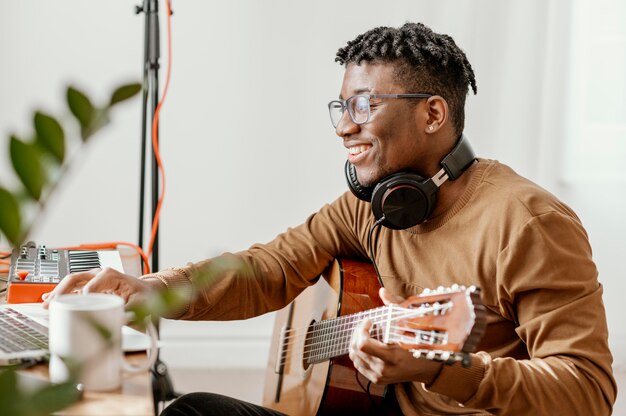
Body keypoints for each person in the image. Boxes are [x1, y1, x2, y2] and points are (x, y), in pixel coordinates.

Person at [43, 22, 616, 415]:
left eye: (364, 105)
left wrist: (438, 370)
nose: (344, 125)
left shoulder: (528, 220)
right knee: (190, 411)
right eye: (340, 107)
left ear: (434, 113)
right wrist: (154, 289)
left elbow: (588, 390)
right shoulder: (370, 205)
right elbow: (267, 269)